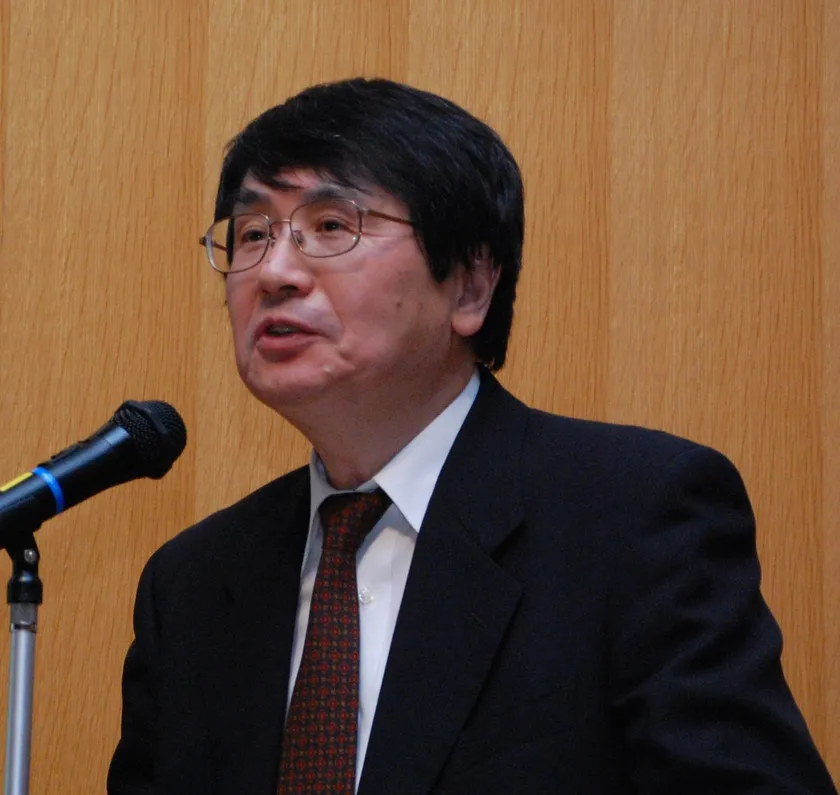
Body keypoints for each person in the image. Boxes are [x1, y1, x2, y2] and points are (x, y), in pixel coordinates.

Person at [108, 78, 837, 794]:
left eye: (331, 226)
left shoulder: (633, 518)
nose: (273, 272)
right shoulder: (192, 584)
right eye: (252, 234)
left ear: (470, 287)